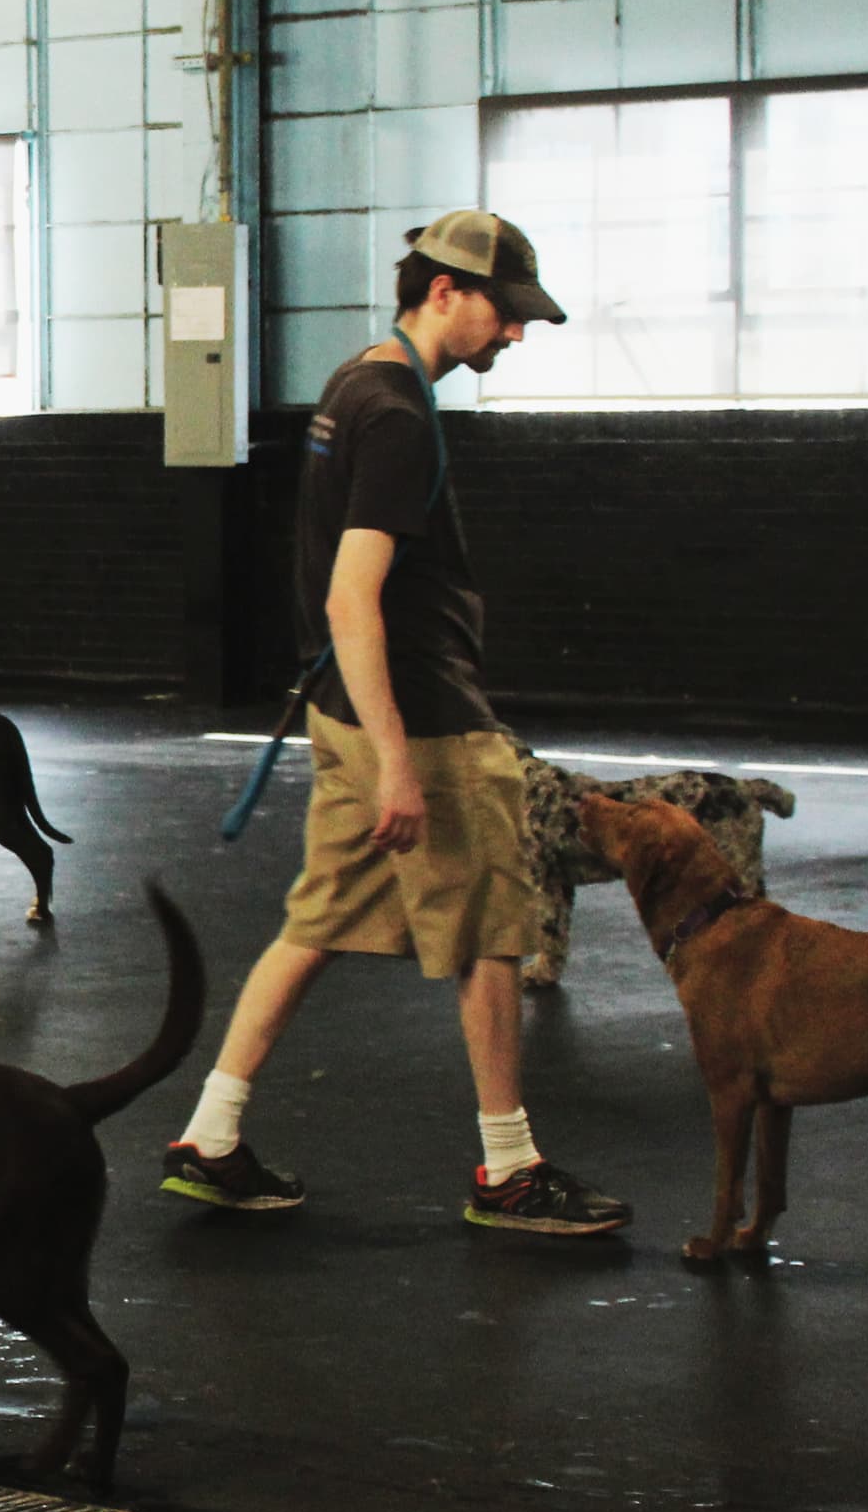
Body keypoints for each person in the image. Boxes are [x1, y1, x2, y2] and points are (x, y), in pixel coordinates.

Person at [160, 212, 630, 1238]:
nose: (514, 336)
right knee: (496, 933)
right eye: (507, 315)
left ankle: (211, 1132)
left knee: (318, 920)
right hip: (419, 720)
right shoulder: (399, 416)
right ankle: (509, 1167)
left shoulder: (355, 383)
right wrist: (395, 763)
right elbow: (351, 595)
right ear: (447, 292)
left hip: (353, 711)